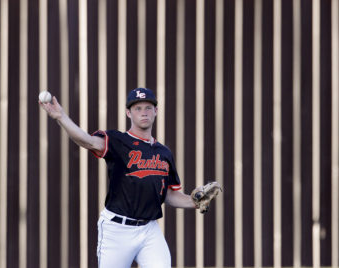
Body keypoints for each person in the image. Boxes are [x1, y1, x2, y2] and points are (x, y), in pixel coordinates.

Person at [39, 88, 220, 268]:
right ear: (128, 113)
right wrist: (61, 117)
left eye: (148, 107)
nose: (144, 112)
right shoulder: (117, 141)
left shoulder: (164, 153)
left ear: (156, 111)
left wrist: (193, 201)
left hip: (149, 229)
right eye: (137, 108)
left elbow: (167, 194)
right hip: (117, 229)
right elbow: (87, 141)